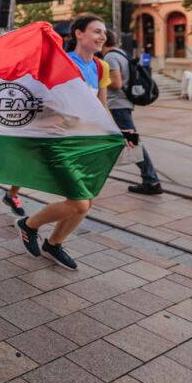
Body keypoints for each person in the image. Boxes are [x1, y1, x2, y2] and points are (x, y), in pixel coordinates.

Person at [15, 14, 124, 271]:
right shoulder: (62, 63)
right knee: (78, 202)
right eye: (96, 31)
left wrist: (116, 133)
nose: (102, 37)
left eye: (104, 33)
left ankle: (54, 244)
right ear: (78, 33)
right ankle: (28, 225)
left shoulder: (101, 67)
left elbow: (101, 105)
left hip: (86, 142)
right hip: (59, 140)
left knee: (87, 200)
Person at [103, 30, 163, 195]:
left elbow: (115, 83)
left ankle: (151, 180)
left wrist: (97, 79)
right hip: (122, 103)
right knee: (114, 141)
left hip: (117, 104)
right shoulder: (122, 53)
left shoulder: (110, 57)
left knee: (132, 142)